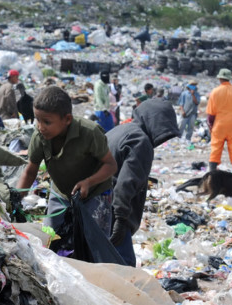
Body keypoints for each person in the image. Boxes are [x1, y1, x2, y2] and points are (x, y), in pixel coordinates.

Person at [16, 86, 118, 236]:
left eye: (47, 122)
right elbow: (31, 171)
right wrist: (17, 197)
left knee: (93, 242)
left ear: (67, 119)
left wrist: (88, 182)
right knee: (50, 237)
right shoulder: (39, 137)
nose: (40, 126)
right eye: (37, 119)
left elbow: (111, 165)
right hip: (61, 193)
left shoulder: (89, 132)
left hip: (94, 192)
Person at [106, 99, 178, 266]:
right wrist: (121, 219)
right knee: (124, 269)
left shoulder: (122, 130)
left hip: (97, 206)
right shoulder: (141, 141)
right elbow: (125, 184)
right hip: (112, 212)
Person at [206, 68, 232, 173]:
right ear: (229, 79)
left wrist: (211, 125)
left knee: (216, 149)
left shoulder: (215, 91)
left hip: (219, 124)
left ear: (220, 78)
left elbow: (210, 115)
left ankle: (212, 174)